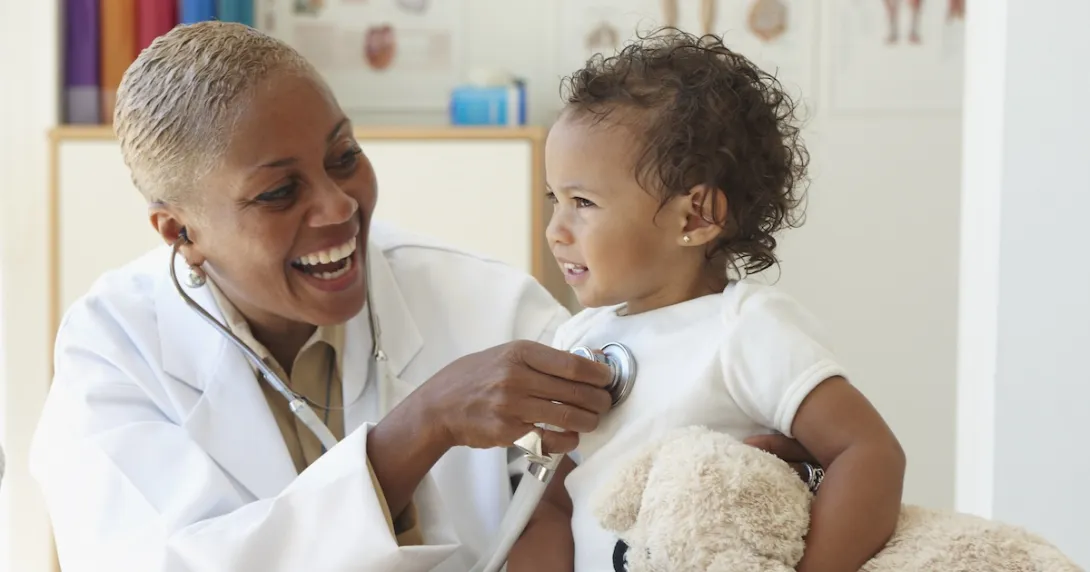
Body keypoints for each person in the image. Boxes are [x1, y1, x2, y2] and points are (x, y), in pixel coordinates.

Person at [28, 22, 817, 572]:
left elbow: (622, 463)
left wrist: (732, 459)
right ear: (180, 233)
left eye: (345, 157)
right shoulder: (115, 353)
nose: (338, 208)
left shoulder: (482, 303)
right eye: (279, 193)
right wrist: (418, 430)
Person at [510, 29, 907, 572]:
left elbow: (871, 455)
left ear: (694, 217)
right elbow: (550, 500)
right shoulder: (579, 339)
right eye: (555, 198)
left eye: (583, 202)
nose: (556, 229)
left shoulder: (744, 330)